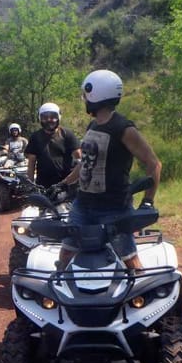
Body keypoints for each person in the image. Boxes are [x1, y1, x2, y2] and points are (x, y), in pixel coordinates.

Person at [56, 70, 162, 271]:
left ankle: (138, 296)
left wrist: (147, 202)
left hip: (114, 208)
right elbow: (86, 163)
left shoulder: (123, 128)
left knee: (130, 261)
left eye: (86, 93)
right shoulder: (93, 125)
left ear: (94, 93)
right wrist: (63, 184)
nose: (84, 99)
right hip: (83, 205)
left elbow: (154, 163)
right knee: (65, 255)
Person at [25, 102, 81, 188]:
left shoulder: (67, 134)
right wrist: (30, 186)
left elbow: (79, 158)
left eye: (53, 117)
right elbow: (31, 163)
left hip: (66, 184)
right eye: (45, 117)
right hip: (43, 185)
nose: (49, 120)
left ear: (58, 117)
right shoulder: (35, 137)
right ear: (40, 118)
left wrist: (73, 179)